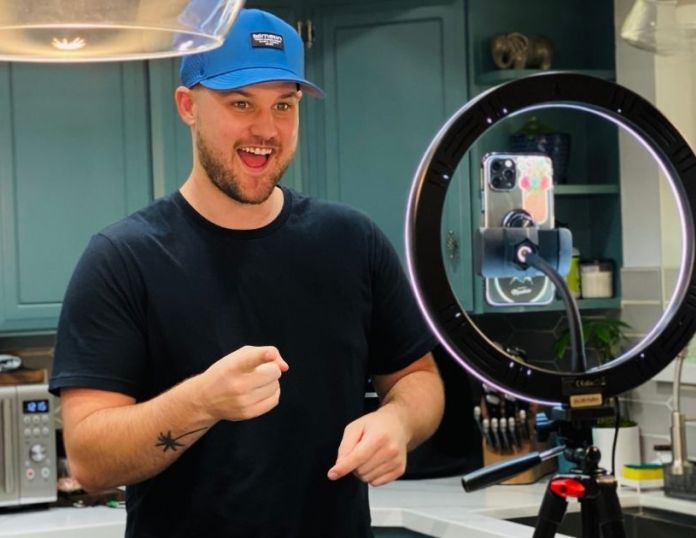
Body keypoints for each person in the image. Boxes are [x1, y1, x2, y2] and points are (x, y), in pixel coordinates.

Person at [48, 8, 444, 538]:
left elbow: (419, 380)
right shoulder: (122, 260)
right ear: (188, 106)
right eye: (241, 103)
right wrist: (203, 401)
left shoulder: (353, 241)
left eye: (284, 104)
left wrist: (398, 421)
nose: (266, 129)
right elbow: (90, 461)